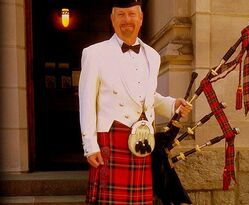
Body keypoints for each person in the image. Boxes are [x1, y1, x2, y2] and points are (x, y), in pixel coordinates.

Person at [78, 0, 192, 204]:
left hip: (142, 138)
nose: (126, 20)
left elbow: (146, 95)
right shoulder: (94, 54)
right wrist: (90, 145)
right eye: (120, 14)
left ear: (141, 18)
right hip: (112, 137)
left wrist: (172, 104)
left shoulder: (153, 56)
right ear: (112, 19)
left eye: (131, 14)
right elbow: (86, 101)